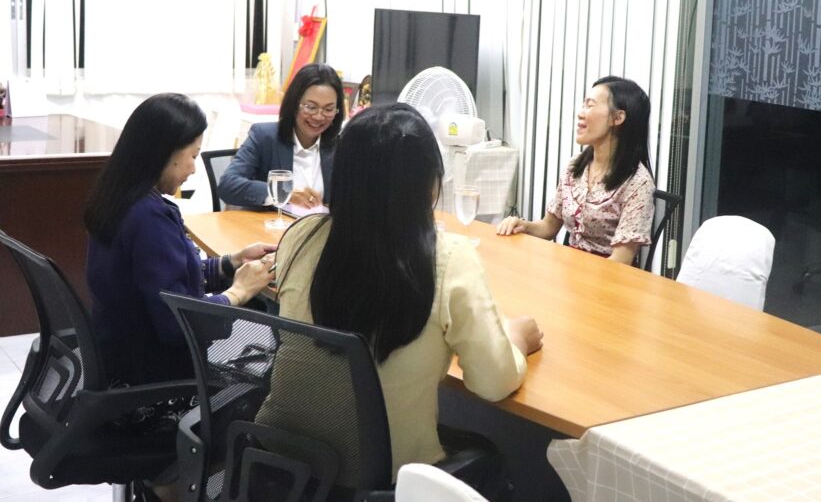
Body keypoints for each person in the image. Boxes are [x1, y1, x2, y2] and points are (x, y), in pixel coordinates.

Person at [266, 103, 542, 494]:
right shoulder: (448, 258)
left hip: (281, 462)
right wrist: (514, 339)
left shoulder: (300, 237)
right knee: (490, 458)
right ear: (429, 183)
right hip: (383, 477)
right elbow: (493, 383)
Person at [84, 93, 276, 387]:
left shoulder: (118, 198)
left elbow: (168, 281)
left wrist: (232, 262)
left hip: (119, 357)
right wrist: (239, 291)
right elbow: (179, 324)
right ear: (165, 152)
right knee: (265, 385)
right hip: (155, 376)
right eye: (194, 156)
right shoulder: (149, 219)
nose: (194, 168)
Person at [497, 75, 655, 265]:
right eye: (583, 105)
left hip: (607, 277)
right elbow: (548, 227)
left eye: (590, 105)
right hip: (569, 270)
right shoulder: (576, 166)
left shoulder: (638, 183)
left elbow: (621, 261)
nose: (580, 113)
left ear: (618, 118)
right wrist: (523, 226)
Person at [218, 63, 345, 210]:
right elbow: (228, 185)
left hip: (320, 224)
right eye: (311, 107)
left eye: (328, 109)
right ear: (294, 104)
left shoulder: (340, 146)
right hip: (271, 224)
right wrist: (285, 194)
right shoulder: (264, 137)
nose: (318, 116)